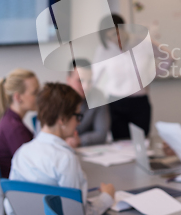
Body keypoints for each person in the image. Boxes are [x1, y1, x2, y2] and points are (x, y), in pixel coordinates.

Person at [9, 83, 114, 215]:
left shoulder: (22, 152)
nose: (79, 122)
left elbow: (10, 205)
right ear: (63, 119)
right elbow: (77, 212)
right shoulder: (66, 159)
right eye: (77, 116)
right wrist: (107, 197)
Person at [92, 13, 174, 140]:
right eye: (109, 37)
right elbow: (94, 78)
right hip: (115, 103)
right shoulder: (104, 49)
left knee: (142, 143)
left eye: (115, 34)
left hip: (139, 103)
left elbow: (169, 57)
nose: (114, 39)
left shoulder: (142, 42)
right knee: (120, 144)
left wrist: (153, 75)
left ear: (123, 28)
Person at [0, 69, 39, 178]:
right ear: (18, 97)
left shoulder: (9, 121)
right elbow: (35, 169)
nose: (40, 96)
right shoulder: (15, 130)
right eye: (35, 92)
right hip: (18, 190)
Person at [65, 58, 110, 147]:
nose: (85, 87)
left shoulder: (98, 96)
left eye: (89, 81)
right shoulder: (55, 100)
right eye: (80, 81)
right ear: (68, 80)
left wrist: (79, 140)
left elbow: (101, 134)